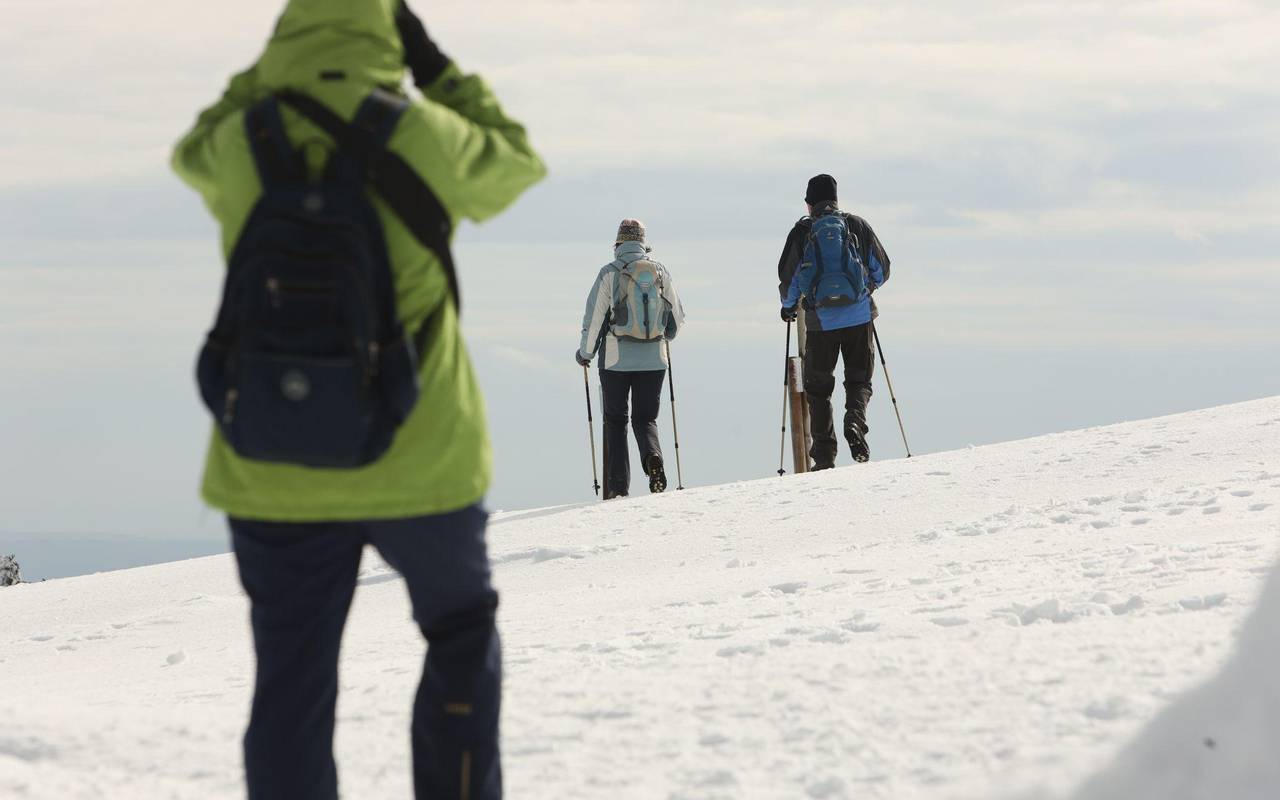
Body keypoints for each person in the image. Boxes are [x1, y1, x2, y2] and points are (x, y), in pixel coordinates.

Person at [171, 1, 545, 798]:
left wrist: (267, 72)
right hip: (423, 456)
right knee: (459, 635)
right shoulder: (427, 137)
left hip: (272, 461)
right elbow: (517, 161)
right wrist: (437, 68)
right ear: (391, 31)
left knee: (291, 680)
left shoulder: (244, 142)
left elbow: (190, 149)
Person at [778, 174, 890, 469]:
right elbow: (882, 269)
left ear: (808, 203)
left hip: (819, 322)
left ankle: (824, 457)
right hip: (859, 317)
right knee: (859, 380)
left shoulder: (802, 232)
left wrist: (788, 308)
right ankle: (855, 420)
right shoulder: (856, 225)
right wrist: (866, 289)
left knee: (818, 389)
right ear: (836, 199)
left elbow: (789, 280)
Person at [576, 219, 685, 499]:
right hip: (654, 359)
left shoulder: (609, 274)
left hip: (616, 360)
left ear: (619, 243)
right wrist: (665, 337)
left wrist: (585, 354)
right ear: (642, 242)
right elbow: (677, 317)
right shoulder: (660, 271)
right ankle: (653, 457)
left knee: (615, 421)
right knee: (645, 419)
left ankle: (618, 488)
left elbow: (594, 318)